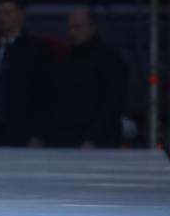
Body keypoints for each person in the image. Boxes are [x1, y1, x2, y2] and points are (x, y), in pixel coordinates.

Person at [0, 0, 54, 147]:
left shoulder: (37, 49)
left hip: (22, 130)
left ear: (20, 15)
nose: (2, 17)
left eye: (7, 12)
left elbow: (44, 95)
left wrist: (38, 133)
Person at [50, 9, 128, 148]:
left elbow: (113, 103)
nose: (72, 32)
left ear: (92, 28)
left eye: (78, 27)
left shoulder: (110, 57)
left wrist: (93, 138)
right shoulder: (66, 58)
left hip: (100, 141)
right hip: (68, 139)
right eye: (70, 27)